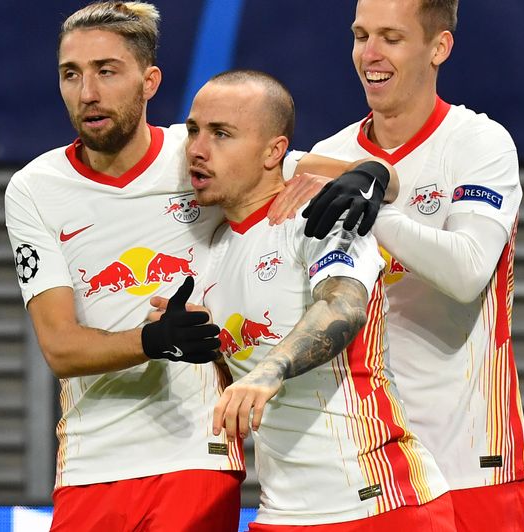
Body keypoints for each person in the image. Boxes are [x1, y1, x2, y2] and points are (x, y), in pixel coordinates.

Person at [271, 1, 524, 530]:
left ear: (439, 47)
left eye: (391, 38)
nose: (369, 54)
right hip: (370, 472)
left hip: (472, 462)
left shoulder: (479, 143)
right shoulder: (330, 153)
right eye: (360, 35)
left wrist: (375, 209)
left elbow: (467, 273)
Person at [177, 69, 455, 530]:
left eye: (221, 134)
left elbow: (343, 306)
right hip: (281, 512)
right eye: (193, 131)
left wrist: (271, 370)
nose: (197, 149)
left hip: (381, 502)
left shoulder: (325, 214)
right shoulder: (209, 253)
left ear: (274, 152)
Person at [4, 3, 243, 531]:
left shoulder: (197, 155)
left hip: (195, 456)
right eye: (71, 74)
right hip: (89, 465)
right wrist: (155, 340)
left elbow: (299, 167)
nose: (87, 92)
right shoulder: (34, 188)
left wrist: (369, 173)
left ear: (149, 81)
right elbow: (60, 347)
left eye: (106, 71)